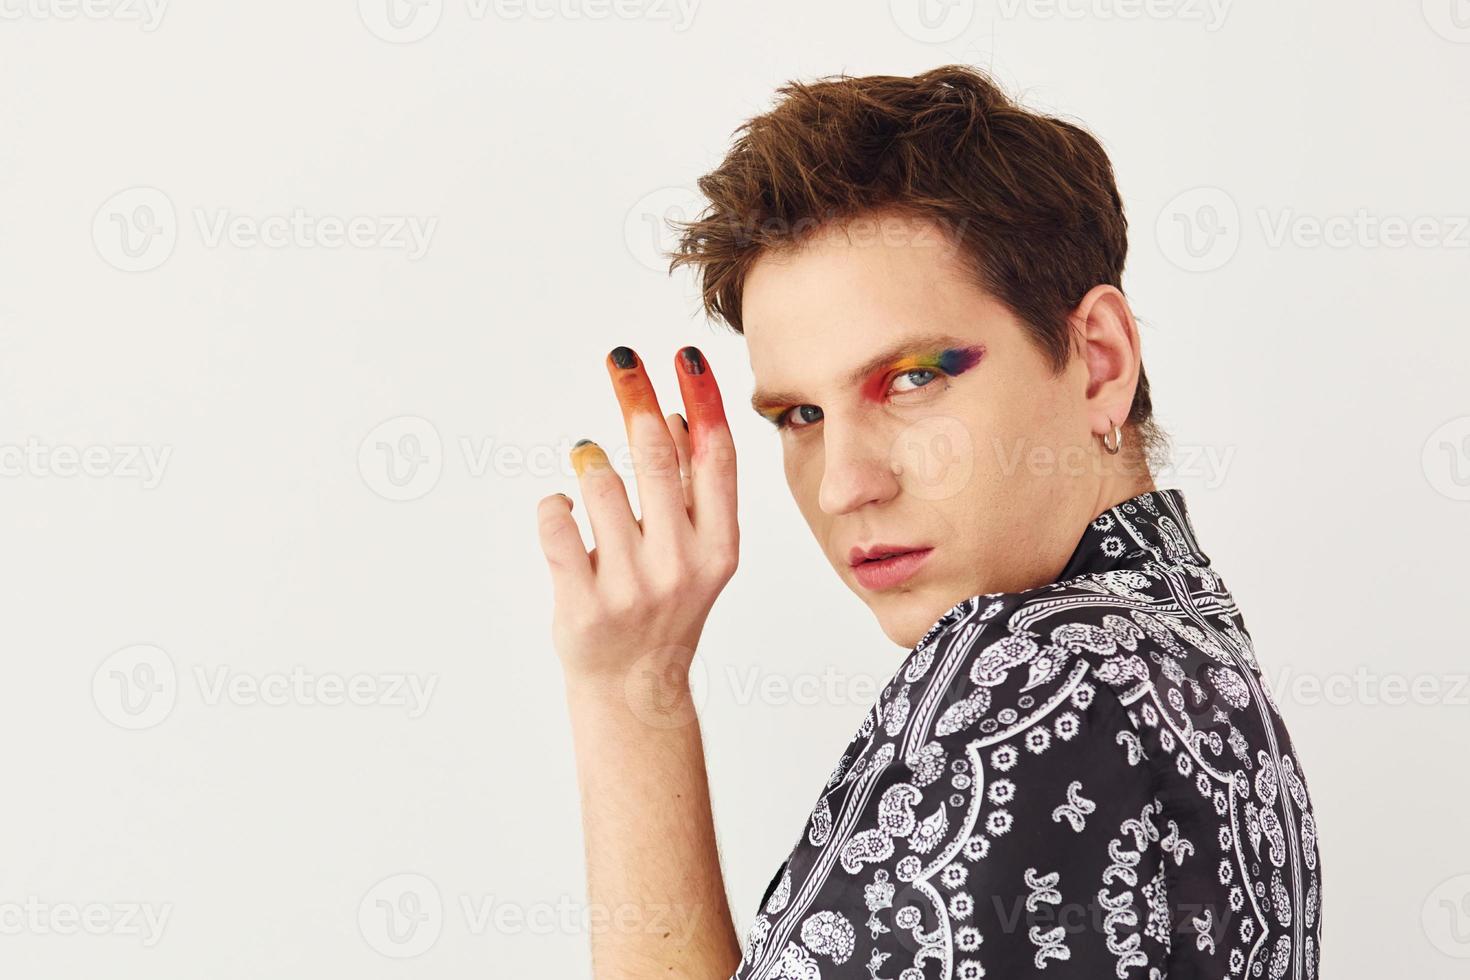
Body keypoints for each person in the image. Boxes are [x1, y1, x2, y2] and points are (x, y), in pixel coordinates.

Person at [535, 64, 1321, 979]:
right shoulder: (1190, 658)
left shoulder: (1048, 671)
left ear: (1099, 360)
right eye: (800, 417)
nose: (843, 486)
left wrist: (630, 699)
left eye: (913, 378)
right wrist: (639, 673)